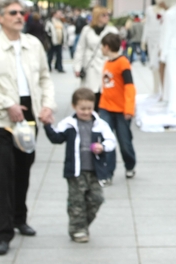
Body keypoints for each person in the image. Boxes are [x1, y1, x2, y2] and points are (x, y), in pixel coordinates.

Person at [0, 0, 56, 256]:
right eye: (13, 13)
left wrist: (47, 105)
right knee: (4, 176)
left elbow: (45, 78)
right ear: (0, 18)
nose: (20, 16)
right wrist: (7, 104)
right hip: (1, 119)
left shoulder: (33, 45)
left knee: (24, 169)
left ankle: (20, 218)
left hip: (29, 114)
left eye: (22, 12)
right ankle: (4, 232)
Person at [42, 88, 116, 243]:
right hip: (75, 171)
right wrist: (47, 126)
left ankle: (82, 225)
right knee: (77, 201)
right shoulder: (68, 124)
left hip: (95, 170)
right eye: (82, 108)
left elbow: (111, 141)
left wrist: (102, 147)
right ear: (74, 106)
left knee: (96, 199)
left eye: (89, 108)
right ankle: (78, 230)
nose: (86, 112)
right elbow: (57, 138)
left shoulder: (100, 124)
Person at [98, 33, 137, 183]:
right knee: (107, 141)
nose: (101, 49)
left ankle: (130, 165)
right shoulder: (107, 63)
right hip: (106, 108)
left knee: (124, 141)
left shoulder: (123, 63)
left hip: (121, 110)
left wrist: (129, 109)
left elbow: (129, 87)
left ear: (107, 47)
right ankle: (107, 173)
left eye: (102, 46)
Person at [73, 7, 118, 111]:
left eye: (108, 15)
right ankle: (90, 114)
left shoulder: (112, 30)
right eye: (104, 15)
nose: (107, 17)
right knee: (91, 93)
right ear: (97, 17)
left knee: (105, 92)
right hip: (90, 66)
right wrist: (77, 67)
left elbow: (117, 50)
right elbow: (80, 49)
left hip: (106, 65)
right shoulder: (87, 30)